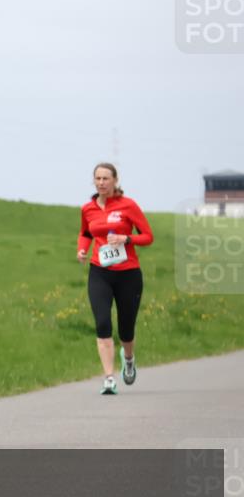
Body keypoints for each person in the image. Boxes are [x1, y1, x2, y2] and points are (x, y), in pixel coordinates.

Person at [76, 162, 153, 395]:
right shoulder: (88, 208)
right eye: (97, 179)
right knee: (102, 323)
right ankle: (109, 377)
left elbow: (148, 236)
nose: (101, 183)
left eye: (106, 179)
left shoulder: (128, 206)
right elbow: (86, 233)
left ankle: (128, 358)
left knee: (126, 327)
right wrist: (82, 249)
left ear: (115, 180)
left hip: (128, 274)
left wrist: (126, 239)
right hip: (100, 272)